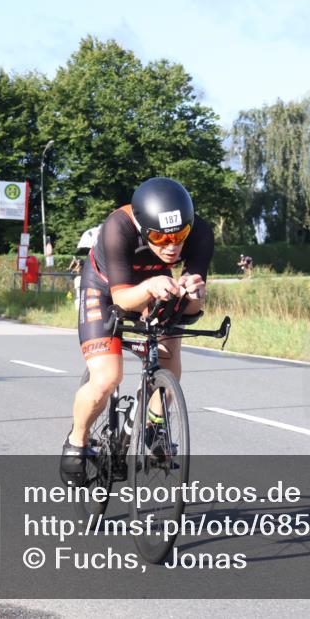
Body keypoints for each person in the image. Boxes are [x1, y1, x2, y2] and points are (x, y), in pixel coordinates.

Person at [60, 177, 214, 483]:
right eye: (159, 237)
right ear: (144, 229)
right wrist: (149, 285)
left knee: (169, 349)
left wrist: (194, 294)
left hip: (156, 284)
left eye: (180, 235)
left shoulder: (201, 234)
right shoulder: (118, 227)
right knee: (107, 378)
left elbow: (192, 312)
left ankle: (154, 424)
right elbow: (122, 299)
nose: (172, 247)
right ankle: (76, 441)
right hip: (105, 288)